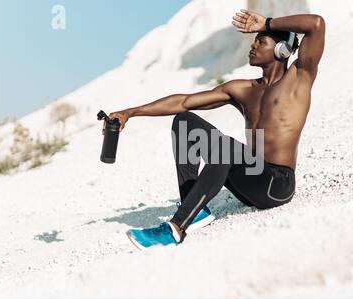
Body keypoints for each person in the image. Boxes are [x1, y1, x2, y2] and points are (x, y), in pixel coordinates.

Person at [104, 10, 326, 250]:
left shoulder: (299, 78)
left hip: (277, 185)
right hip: (250, 178)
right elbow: (183, 101)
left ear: (281, 49)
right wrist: (131, 112)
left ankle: (175, 229)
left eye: (261, 41)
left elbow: (316, 24)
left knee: (228, 148)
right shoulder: (243, 90)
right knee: (184, 120)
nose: (253, 46)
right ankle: (193, 208)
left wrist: (267, 23)